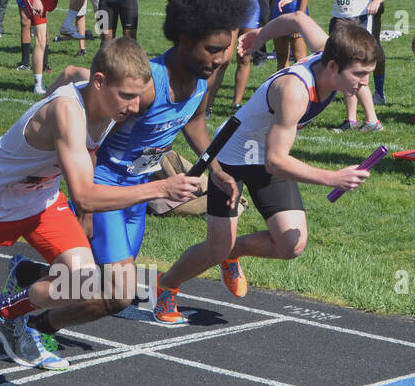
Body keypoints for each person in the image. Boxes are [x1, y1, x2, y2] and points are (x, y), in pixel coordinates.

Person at [0, 39, 201, 380]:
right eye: (127, 97)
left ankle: (7, 314)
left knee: (83, 280)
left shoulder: (102, 90)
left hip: (39, 199)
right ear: (100, 82)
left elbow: (72, 71)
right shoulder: (68, 112)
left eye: (138, 96)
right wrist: (161, 188)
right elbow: (84, 196)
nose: (134, 107)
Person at [17, 0, 251, 335]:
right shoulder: (146, 87)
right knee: (120, 293)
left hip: (138, 192)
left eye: (225, 51)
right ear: (185, 39)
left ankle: (26, 277)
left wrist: (218, 171)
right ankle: (38, 326)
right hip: (105, 186)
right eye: (213, 50)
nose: (220, 59)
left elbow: (196, 121)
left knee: (95, 278)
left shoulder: (203, 79)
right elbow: (89, 130)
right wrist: (87, 208)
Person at [153, 17, 376, 321]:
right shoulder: (295, 91)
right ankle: (167, 285)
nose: (364, 83)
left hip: (265, 154)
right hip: (231, 158)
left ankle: (235, 251)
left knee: (291, 244)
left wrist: (260, 34)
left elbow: (298, 18)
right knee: (215, 247)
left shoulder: (331, 50)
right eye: (360, 75)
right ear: (334, 66)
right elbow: (277, 161)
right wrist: (333, 178)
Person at [284, 0, 390, 132]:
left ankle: (372, 120)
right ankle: (351, 120)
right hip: (338, 20)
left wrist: (377, 1)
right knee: (343, 71)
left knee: (357, 72)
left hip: (359, 19)